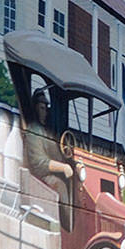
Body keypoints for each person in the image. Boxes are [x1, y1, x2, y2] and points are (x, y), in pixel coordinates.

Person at [24, 93, 75, 221]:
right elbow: (38, 163)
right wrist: (63, 167)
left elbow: (59, 154)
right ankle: (65, 227)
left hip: (50, 173)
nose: (45, 112)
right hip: (38, 178)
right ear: (35, 108)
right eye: (42, 108)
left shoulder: (47, 131)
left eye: (46, 109)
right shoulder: (34, 131)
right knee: (61, 186)